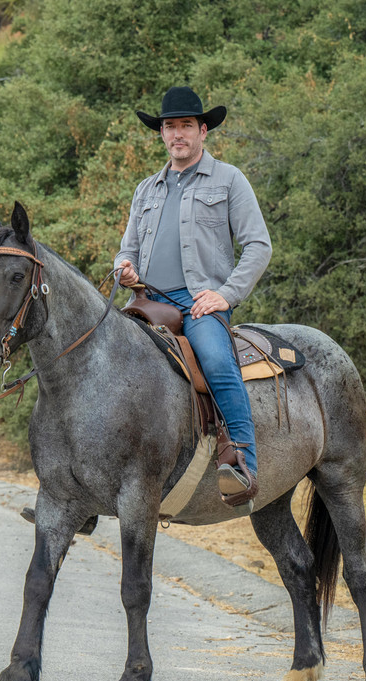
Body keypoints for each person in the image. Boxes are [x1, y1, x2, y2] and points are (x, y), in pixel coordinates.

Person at [114, 86, 272, 506]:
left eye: (186, 125)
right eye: (170, 126)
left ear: (203, 130)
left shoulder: (229, 179)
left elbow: (258, 246)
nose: (177, 133)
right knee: (100, 359)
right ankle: (92, 485)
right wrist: (123, 268)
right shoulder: (146, 190)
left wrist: (225, 295)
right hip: (148, 302)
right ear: (162, 134)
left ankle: (242, 465)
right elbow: (127, 249)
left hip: (200, 303)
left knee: (219, 362)